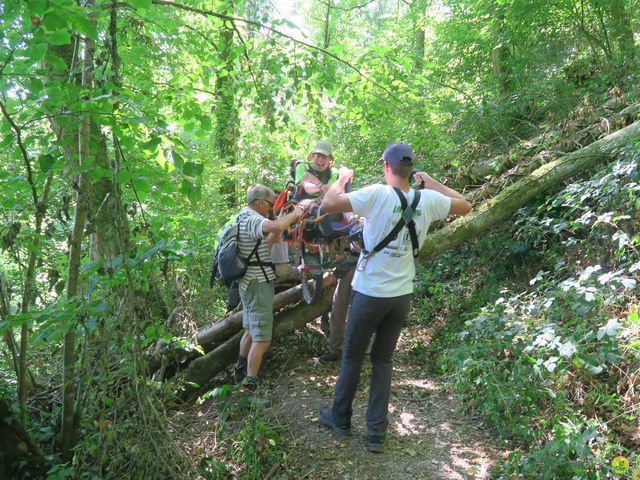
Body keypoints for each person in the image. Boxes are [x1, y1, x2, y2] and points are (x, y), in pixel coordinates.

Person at [316, 142, 472, 452]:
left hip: (369, 293)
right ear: (410, 170)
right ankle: (376, 433)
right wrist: (431, 183)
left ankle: (341, 417)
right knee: (383, 361)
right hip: (400, 297)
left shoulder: (376, 193)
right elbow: (465, 205)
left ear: (387, 167)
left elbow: (327, 205)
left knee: (352, 356)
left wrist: (342, 178)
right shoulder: (427, 199)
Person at [234, 185, 303, 398]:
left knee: (250, 330)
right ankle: (249, 388)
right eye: (271, 204)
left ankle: (239, 372)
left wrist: (281, 223)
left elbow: (266, 242)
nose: (273, 208)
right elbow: (274, 226)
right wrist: (295, 214)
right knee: (262, 339)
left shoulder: (244, 217)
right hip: (257, 284)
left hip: (250, 284)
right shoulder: (252, 218)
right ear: (260, 202)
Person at [293, 140, 353, 363]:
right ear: (312, 157)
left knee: (345, 206)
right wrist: (321, 189)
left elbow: (344, 183)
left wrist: (344, 177)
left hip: (332, 205)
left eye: (324, 157)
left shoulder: (336, 171)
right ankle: (308, 261)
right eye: (317, 156)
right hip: (308, 207)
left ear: (330, 159)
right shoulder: (302, 167)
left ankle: (350, 227)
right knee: (315, 207)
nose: (320, 159)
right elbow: (306, 186)